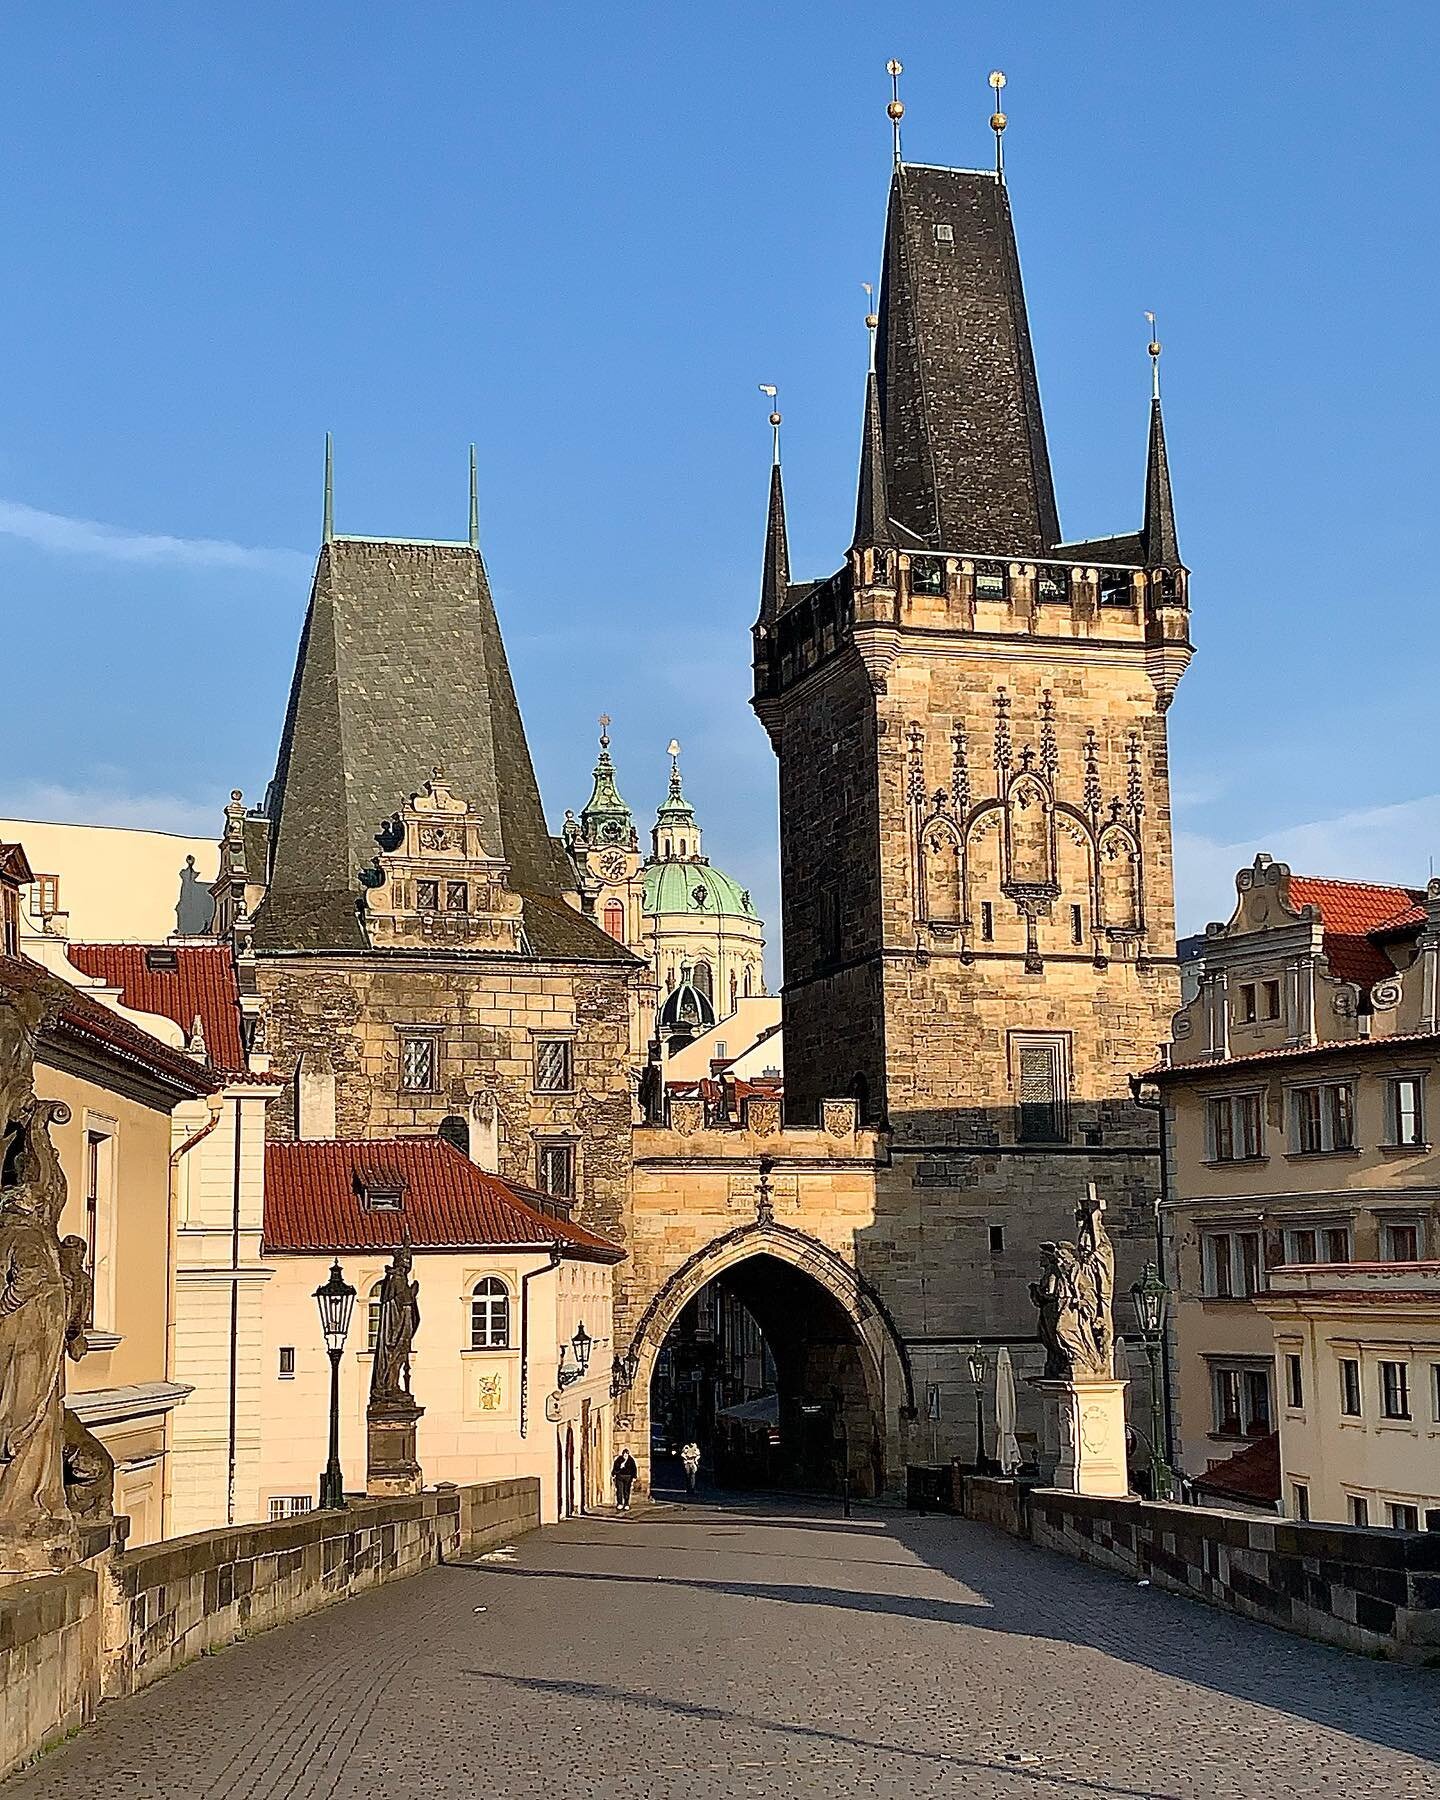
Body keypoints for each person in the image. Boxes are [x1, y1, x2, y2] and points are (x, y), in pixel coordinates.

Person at [611, 1447, 638, 1512]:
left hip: (628, 1477)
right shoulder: (619, 1459)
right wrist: (614, 1473)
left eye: (626, 1455)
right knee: (619, 1490)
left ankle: (626, 1504)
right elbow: (615, 1466)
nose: (625, 1456)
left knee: (626, 1491)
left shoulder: (631, 1460)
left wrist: (634, 1477)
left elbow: (634, 1468)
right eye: (624, 1455)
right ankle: (620, 1503)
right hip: (620, 1476)